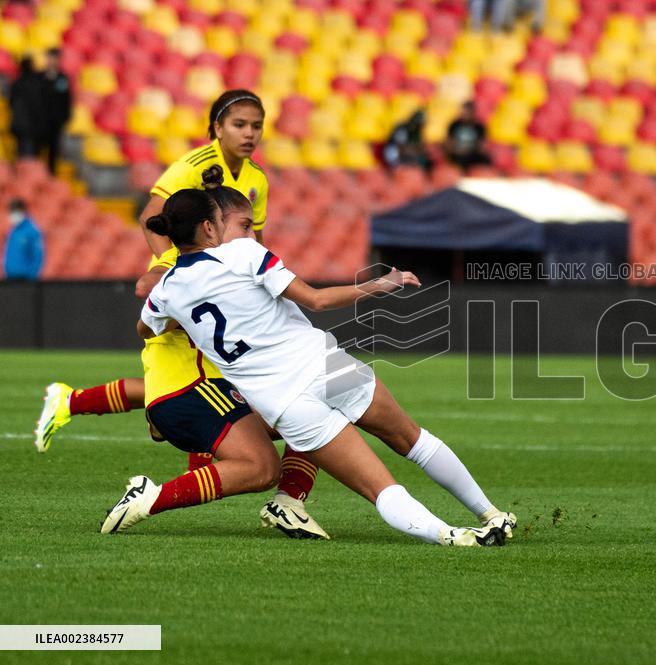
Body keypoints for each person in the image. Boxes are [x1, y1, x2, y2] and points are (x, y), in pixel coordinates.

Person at [109, 187, 515, 547]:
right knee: (413, 440)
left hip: (284, 403)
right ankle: (490, 514)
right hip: (324, 365)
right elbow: (317, 301)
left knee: (378, 487)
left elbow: (145, 328)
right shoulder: (244, 253)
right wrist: (376, 285)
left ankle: (450, 536)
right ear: (210, 227)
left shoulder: (166, 292)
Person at [34, 90, 329, 540]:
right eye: (239, 125)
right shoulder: (193, 167)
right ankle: (251, 479)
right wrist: (173, 271)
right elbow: (154, 216)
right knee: (215, 387)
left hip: (225, 295)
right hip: (195, 287)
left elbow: (253, 242)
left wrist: (260, 282)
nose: (249, 133)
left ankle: (275, 493)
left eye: (256, 125)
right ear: (215, 127)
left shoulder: (256, 179)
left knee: (267, 394)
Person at [37, 48, 72, 175]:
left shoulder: (62, 78)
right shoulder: (39, 77)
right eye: (49, 58)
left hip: (55, 122)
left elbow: (66, 99)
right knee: (38, 150)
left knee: (54, 150)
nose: (51, 61)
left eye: (54, 58)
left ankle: (51, 175)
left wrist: (64, 117)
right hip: (40, 121)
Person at [8, 57, 44, 159]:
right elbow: (37, 105)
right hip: (30, 125)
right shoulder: (34, 84)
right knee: (29, 155)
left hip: (18, 124)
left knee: (22, 153)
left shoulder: (16, 83)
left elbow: (11, 102)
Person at [3, 198, 44, 280]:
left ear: (22, 211)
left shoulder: (32, 231)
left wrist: (32, 276)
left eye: (15, 212)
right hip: (10, 276)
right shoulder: (13, 231)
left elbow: (37, 255)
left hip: (25, 279)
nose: (12, 216)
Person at [444, 101, 491, 171]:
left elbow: (482, 146)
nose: (464, 114)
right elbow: (449, 143)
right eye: (462, 112)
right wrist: (457, 151)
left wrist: (469, 151)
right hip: (457, 154)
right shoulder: (454, 125)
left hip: (473, 155)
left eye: (466, 112)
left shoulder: (479, 127)